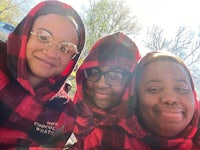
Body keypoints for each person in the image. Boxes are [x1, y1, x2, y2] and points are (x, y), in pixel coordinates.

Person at [0, 0, 85, 149]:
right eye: (43, 37)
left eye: (66, 48)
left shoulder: (65, 112)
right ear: (25, 33)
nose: (51, 53)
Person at [65, 32, 141, 149]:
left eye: (115, 75)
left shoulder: (138, 132)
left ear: (131, 81)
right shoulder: (69, 113)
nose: (101, 84)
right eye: (94, 72)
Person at [127, 51, 200, 149]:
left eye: (181, 89)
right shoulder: (108, 138)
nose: (170, 99)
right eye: (154, 89)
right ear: (135, 97)